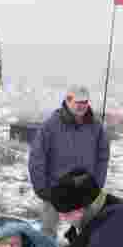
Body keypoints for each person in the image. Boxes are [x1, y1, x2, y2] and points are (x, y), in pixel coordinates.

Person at [28, 85, 110, 238]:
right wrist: (41, 188)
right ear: (67, 100)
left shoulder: (96, 126)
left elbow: (103, 157)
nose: (81, 106)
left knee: (89, 232)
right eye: (77, 102)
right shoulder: (50, 125)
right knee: (47, 233)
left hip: (85, 188)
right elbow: (37, 157)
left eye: (84, 102)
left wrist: (97, 184)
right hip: (54, 189)